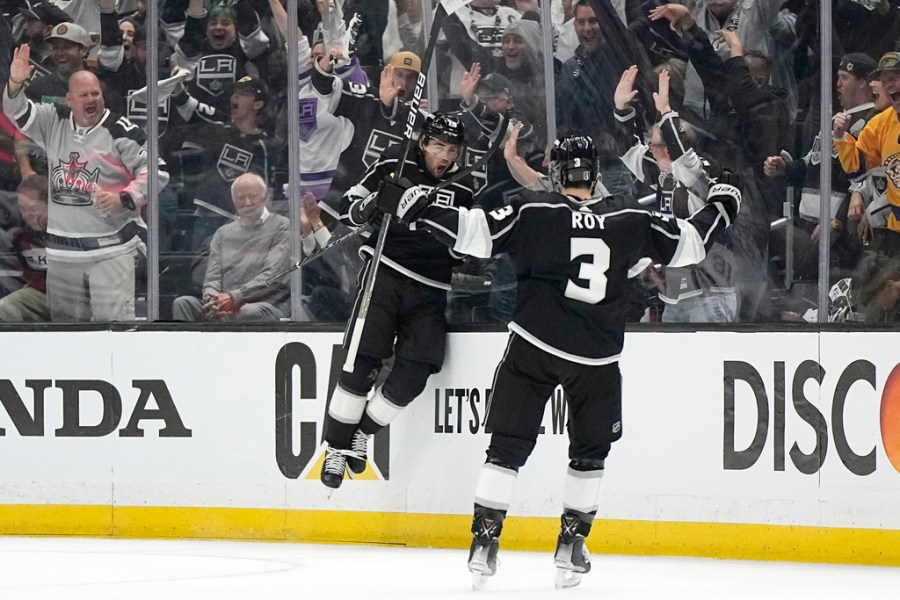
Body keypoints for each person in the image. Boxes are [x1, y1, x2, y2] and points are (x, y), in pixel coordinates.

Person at [376, 134, 741, 586]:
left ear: (556, 172)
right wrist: (724, 204)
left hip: (535, 346)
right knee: (590, 454)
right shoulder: (630, 218)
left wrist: (416, 207)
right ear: (594, 173)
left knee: (506, 448)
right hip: (597, 359)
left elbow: (473, 233)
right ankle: (572, 545)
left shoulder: (535, 213)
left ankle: (484, 541)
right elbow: (692, 241)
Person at [319, 112, 478, 489]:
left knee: (415, 373)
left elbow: (464, 248)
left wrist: (448, 238)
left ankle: (362, 432)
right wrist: (374, 205)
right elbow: (350, 207)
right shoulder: (395, 161)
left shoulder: (464, 186)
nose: (446, 156)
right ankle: (336, 450)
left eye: (453, 149)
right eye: (439, 145)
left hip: (431, 287)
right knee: (361, 364)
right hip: (384, 274)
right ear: (423, 143)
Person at [4, 44, 166, 321]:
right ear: (69, 99)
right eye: (83, 95)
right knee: (66, 335)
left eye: (96, 94)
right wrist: (16, 82)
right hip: (62, 253)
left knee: (113, 331)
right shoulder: (52, 120)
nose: (91, 100)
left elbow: (157, 170)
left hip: (110, 250)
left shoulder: (121, 130)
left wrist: (125, 197)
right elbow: (15, 111)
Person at [172, 173, 290, 322]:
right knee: (183, 304)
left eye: (253, 196)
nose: (247, 202)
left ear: (265, 197)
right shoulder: (223, 233)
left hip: (263, 306)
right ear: (233, 201)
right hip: (225, 304)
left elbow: (273, 276)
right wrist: (213, 301)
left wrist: (235, 297)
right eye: (241, 198)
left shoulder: (282, 226)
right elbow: (212, 278)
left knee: (247, 312)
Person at [0, 174, 50, 322]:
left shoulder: (70, 232)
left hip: (75, 298)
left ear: (49, 205)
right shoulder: (19, 237)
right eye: (22, 209)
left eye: (33, 208)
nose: (27, 215)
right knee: (5, 308)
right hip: (41, 295)